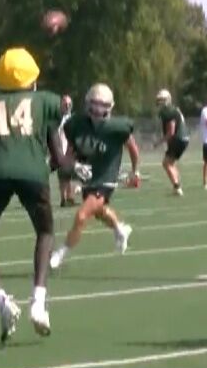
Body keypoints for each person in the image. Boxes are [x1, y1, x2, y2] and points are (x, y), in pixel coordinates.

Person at [0, 47, 65, 342]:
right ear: (32, 78)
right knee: (45, 232)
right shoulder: (45, 100)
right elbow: (61, 115)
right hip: (33, 173)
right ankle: (39, 302)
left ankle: (2, 300)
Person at [51, 84, 140, 269]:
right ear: (87, 103)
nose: (98, 109)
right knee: (99, 212)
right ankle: (120, 229)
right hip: (89, 176)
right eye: (94, 104)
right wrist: (74, 165)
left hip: (106, 176)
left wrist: (135, 171)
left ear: (110, 106)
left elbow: (133, 149)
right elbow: (71, 152)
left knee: (82, 215)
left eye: (102, 105)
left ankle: (62, 252)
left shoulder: (118, 127)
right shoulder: (76, 124)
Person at [155, 89, 188, 197]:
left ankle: (177, 187)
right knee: (171, 163)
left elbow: (171, 131)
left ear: (167, 100)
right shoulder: (173, 109)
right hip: (183, 138)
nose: (160, 102)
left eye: (162, 100)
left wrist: (159, 142)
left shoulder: (168, 111)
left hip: (178, 139)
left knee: (166, 163)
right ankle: (178, 185)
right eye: (159, 100)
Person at [56, 94, 78, 207]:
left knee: (69, 173)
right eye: (65, 104)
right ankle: (63, 198)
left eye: (69, 104)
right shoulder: (57, 118)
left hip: (71, 149)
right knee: (62, 174)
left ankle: (69, 197)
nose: (67, 106)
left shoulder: (73, 118)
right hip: (60, 149)